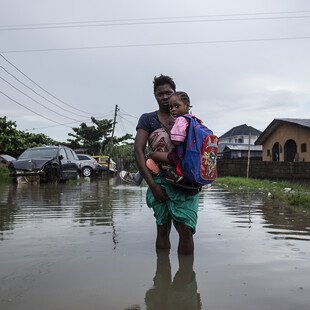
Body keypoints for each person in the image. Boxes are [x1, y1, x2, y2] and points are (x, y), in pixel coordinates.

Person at [133, 74, 200, 254]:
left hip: (184, 182)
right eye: (159, 93)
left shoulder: (186, 119)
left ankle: (185, 280)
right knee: (162, 228)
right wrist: (152, 185)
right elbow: (138, 151)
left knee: (186, 231)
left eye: (168, 93)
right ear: (154, 95)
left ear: (174, 93)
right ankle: (162, 275)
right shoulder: (147, 119)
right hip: (159, 182)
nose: (164, 97)